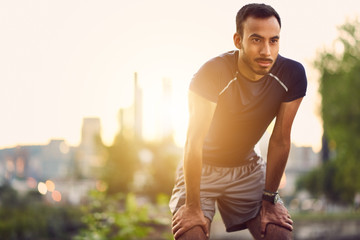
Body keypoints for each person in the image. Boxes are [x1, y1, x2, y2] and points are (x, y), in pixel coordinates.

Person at [169, 3, 307, 240]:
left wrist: (271, 198)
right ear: (237, 40)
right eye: (256, 40)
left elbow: (281, 139)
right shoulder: (211, 74)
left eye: (273, 41)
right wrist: (192, 206)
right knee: (190, 234)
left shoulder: (291, 75)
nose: (266, 51)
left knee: (278, 233)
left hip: (247, 168)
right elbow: (193, 142)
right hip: (201, 168)